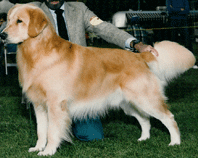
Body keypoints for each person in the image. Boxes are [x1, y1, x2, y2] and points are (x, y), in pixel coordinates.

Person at [32, 0, 158, 142]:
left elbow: (104, 27)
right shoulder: (33, 11)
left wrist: (136, 44)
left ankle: (69, 123)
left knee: (93, 136)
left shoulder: (79, 9)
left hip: (80, 85)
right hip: (50, 84)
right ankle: (57, 126)